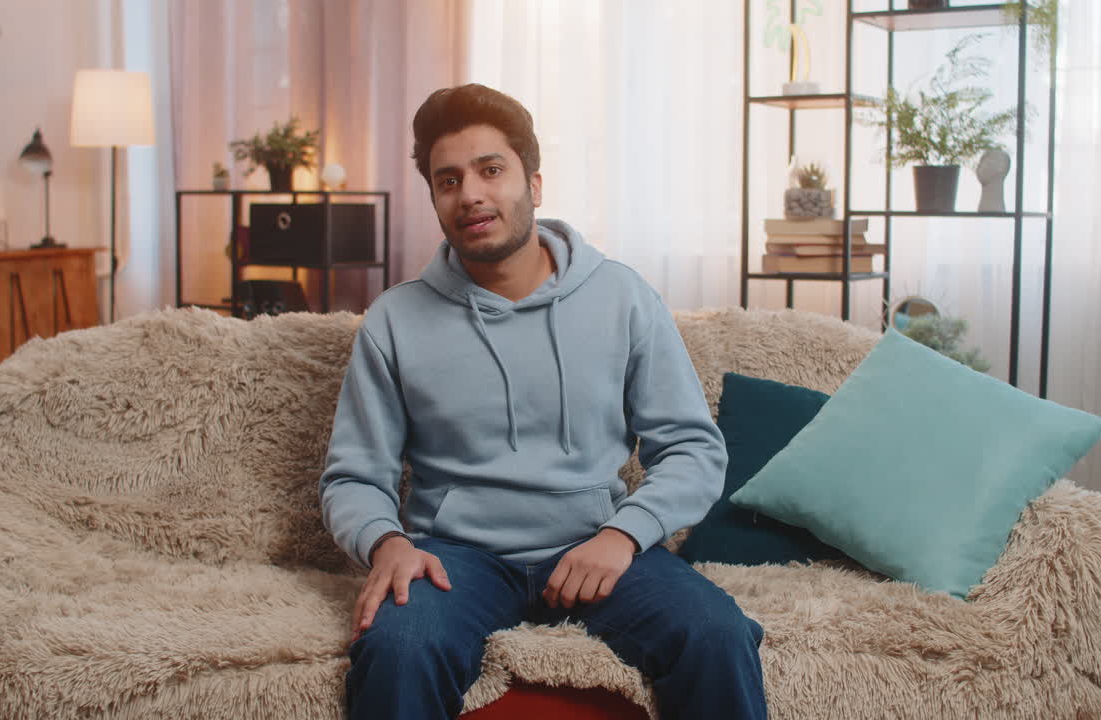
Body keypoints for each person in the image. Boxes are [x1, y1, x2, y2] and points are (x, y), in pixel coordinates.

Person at [320, 83, 767, 720]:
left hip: (596, 544)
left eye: (490, 170)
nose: (470, 193)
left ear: (533, 185)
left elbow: (692, 448)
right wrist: (386, 542)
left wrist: (625, 534)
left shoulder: (622, 296)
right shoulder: (396, 320)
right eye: (448, 181)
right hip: (455, 558)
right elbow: (353, 474)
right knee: (399, 647)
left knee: (717, 632)